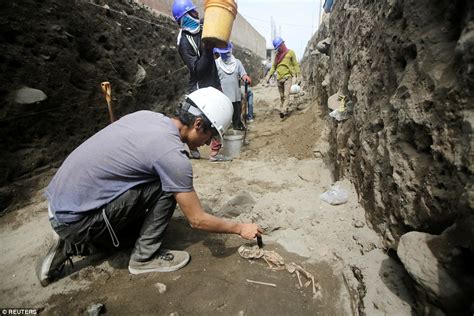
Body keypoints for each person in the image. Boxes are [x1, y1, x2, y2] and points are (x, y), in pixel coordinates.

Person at [36, 87, 263, 287]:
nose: (208, 143)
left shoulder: (146, 116)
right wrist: (239, 228)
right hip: (75, 220)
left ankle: (75, 242)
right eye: (211, 135)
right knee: (166, 186)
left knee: (133, 234)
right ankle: (143, 258)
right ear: (198, 124)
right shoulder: (173, 156)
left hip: (60, 204)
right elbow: (197, 219)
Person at [172, 0, 223, 161]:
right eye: (193, 13)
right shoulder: (184, 41)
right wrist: (207, 49)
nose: (197, 14)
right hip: (200, 87)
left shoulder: (201, 30)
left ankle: (214, 152)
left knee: (218, 116)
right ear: (185, 17)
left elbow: (214, 54)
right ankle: (190, 147)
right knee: (197, 118)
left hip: (213, 81)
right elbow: (197, 70)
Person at [214, 42, 251, 130]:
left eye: (227, 52)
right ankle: (223, 129)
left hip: (235, 95)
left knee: (236, 113)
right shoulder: (216, 63)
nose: (225, 55)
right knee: (223, 114)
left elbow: (243, 74)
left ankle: (237, 126)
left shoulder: (237, 63)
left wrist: (246, 78)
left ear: (230, 51)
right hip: (223, 95)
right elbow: (213, 79)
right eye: (223, 53)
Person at [265, 37, 301, 119]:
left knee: (286, 95)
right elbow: (273, 67)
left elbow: (295, 64)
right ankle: (285, 109)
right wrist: (268, 76)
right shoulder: (277, 56)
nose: (278, 49)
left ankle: (283, 110)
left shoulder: (291, 53)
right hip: (279, 78)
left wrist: (298, 75)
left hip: (287, 78)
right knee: (281, 96)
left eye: (279, 47)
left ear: (282, 44)